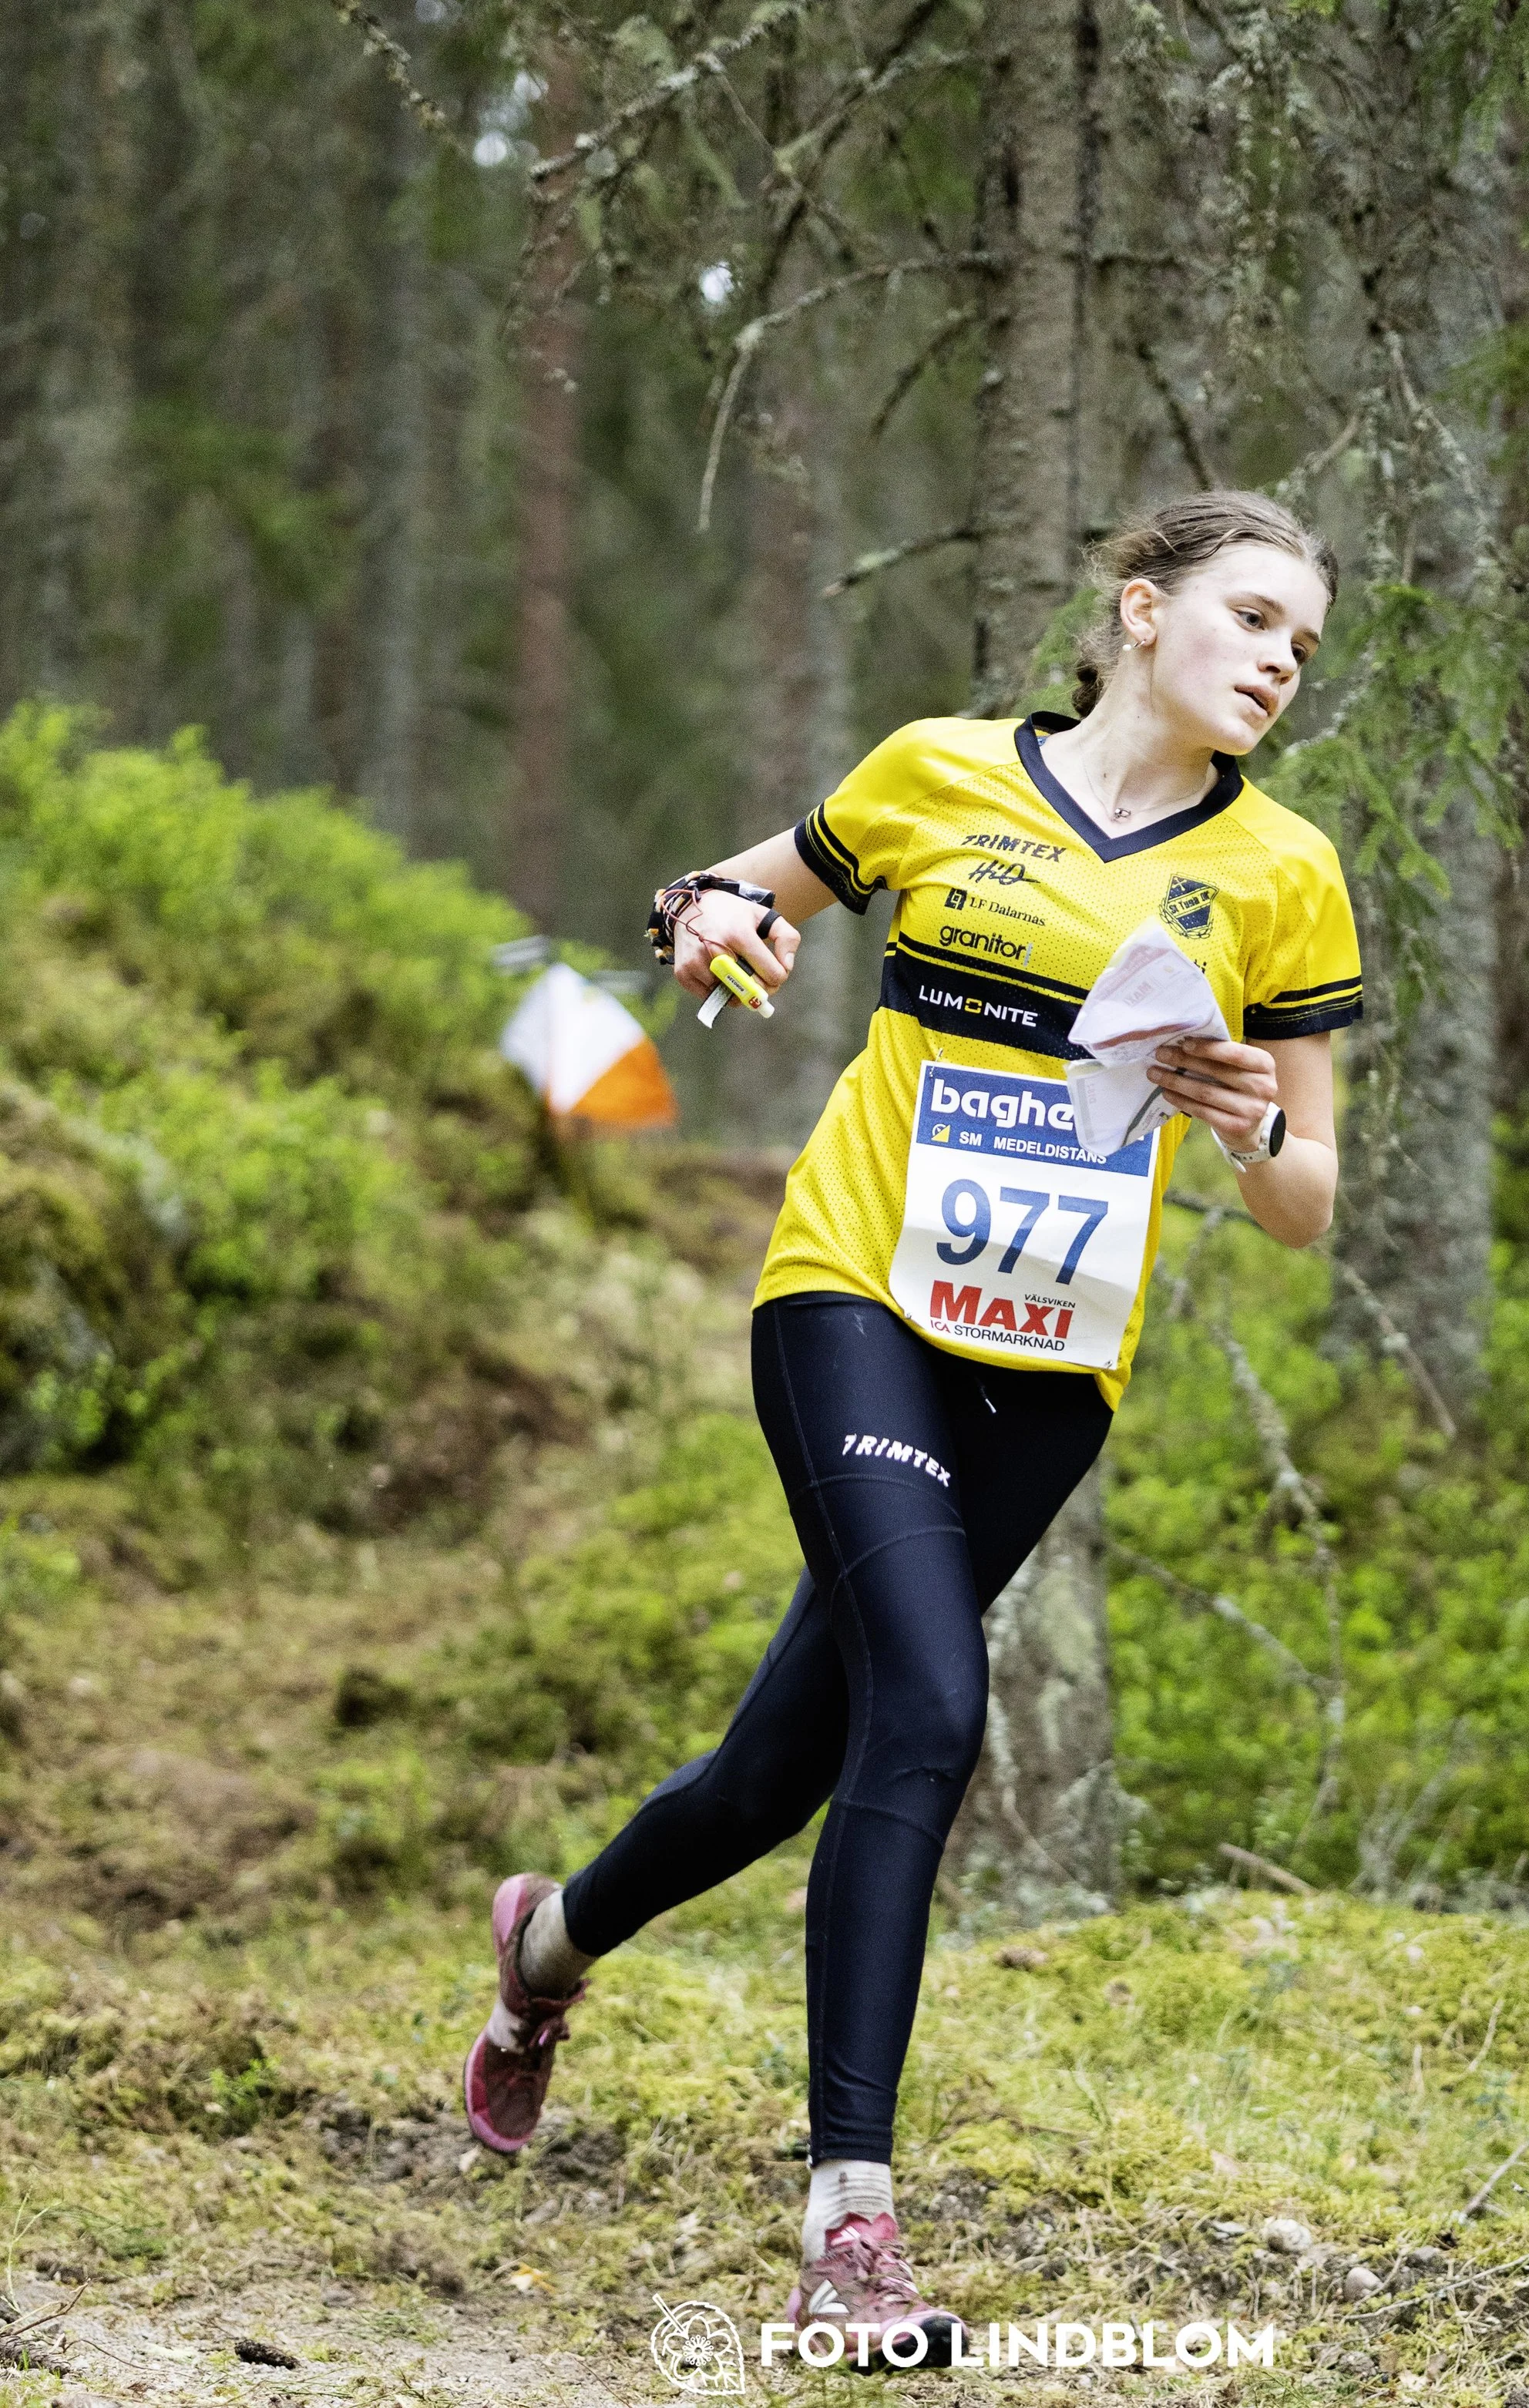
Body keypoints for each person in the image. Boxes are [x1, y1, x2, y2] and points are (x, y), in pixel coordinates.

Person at [462, 488, 1363, 2366]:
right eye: (1253, 615)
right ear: (1140, 611)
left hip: (1046, 1368)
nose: (1281, 657)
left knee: (773, 1768)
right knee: (933, 1712)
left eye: (1304, 638)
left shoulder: (1282, 871)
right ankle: (847, 2227)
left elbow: (1309, 1199)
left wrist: (1236, 1116)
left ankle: (544, 1948)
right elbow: (724, 890)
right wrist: (717, 923)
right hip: (854, 1285)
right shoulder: (940, 770)